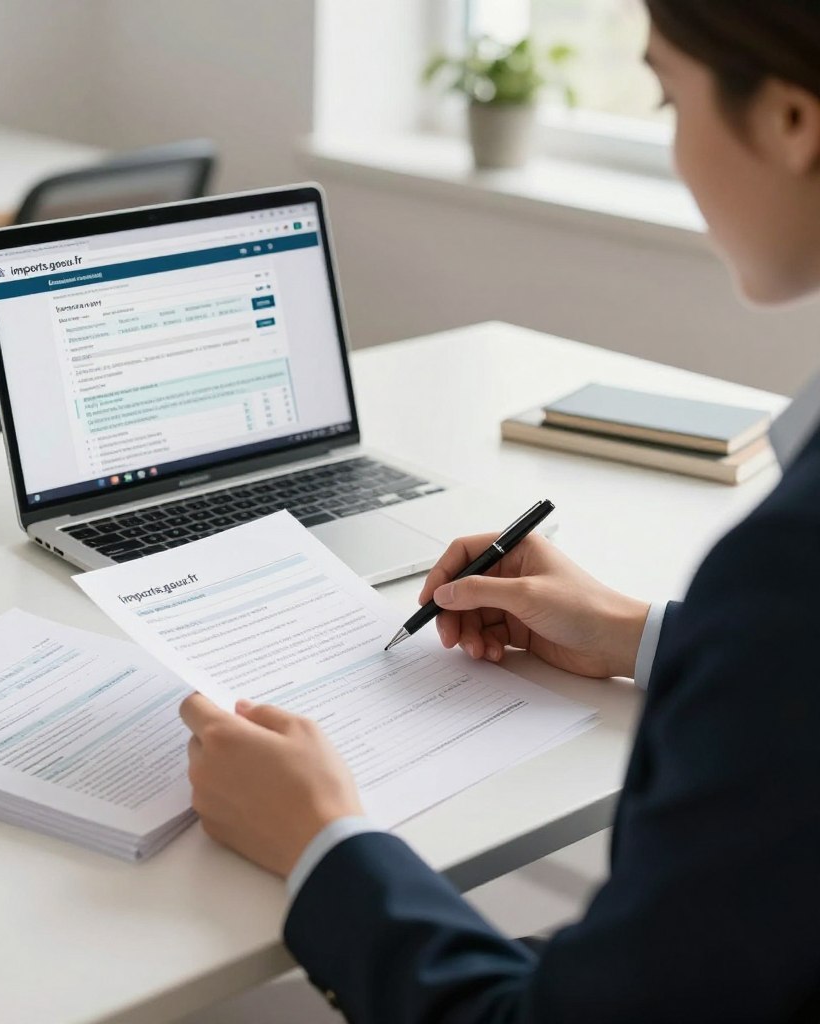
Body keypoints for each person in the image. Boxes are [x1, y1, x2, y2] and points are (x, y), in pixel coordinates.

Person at [179, 3, 820, 1020]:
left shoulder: (788, 568)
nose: (675, 149)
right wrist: (630, 632)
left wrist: (321, 840)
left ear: (791, 119)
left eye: (666, 93)